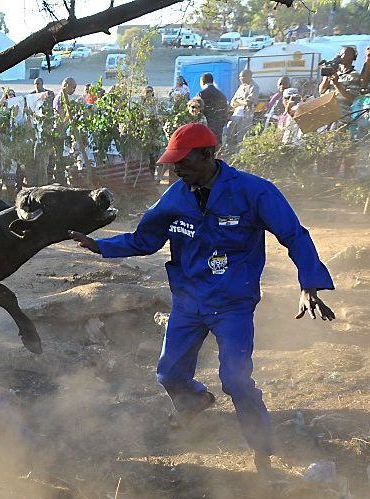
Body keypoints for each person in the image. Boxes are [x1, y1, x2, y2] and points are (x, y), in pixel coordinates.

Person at [69, 123, 335, 477]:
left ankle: (263, 452)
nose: (177, 169)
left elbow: (294, 235)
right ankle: (195, 401)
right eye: (173, 163)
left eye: (184, 162)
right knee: (169, 374)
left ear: (208, 155)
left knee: (236, 380)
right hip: (188, 301)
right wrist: (101, 245)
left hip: (232, 303)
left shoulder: (254, 192)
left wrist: (309, 283)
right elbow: (144, 239)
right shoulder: (176, 197)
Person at [319, 46, 362, 122]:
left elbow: (351, 98)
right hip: (326, 109)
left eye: (346, 54)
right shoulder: (334, 71)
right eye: (341, 54)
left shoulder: (354, 75)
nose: (343, 56)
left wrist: (337, 84)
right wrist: (327, 76)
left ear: (353, 58)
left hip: (342, 113)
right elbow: (321, 91)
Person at [224, 69, 259, 150]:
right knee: (230, 131)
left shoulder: (254, 87)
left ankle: (241, 152)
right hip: (236, 113)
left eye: (243, 76)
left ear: (249, 76)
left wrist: (239, 101)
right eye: (240, 77)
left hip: (246, 115)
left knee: (242, 135)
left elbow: (249, 102)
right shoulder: (241, 86)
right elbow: (233, 102)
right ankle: (230, 150)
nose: (241, 78)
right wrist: (241, 101)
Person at [195, 72, 229, 145]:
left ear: (203, 82)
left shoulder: (201, 94)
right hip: (218, 126)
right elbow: (225, 110)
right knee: (216, 146)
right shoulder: (221, 95)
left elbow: (196, 110)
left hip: (205, 126)